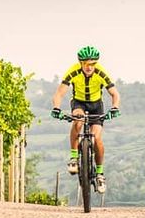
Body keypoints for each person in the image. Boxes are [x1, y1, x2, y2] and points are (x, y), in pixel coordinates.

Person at [50, 45, 121, 194]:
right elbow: (59, 93)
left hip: (97, 105)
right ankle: (74, 158)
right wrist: (56, 108)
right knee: (78, 120)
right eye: (86, 64)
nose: (90, 67)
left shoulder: (101, 72)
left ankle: (100, 174)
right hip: (79, 102)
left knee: (96, 138)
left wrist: (114, 108)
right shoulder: (73, 71)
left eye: (93, 64)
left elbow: (115, 94)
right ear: (81, 63)